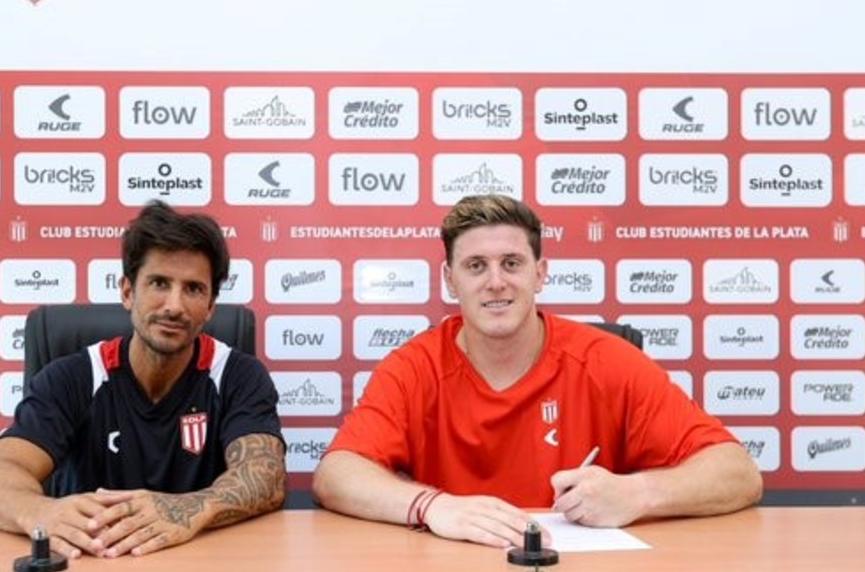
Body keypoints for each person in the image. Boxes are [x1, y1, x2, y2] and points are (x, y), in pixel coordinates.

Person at [312, 194, 762, 548]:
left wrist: (639, 494)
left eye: (512, 263)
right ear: (450, 280)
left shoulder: (606, 360)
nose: (496, 282)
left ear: (540, 273)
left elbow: (738, 472)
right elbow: (336, 474)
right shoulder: (414, 367)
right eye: (475, 266)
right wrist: (433, 506)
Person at [0, 200, 286, 559]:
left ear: (211, 306)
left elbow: (266, 478)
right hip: (92, 558)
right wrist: (41, 512)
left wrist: (184, 509)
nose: (174, 306)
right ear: (127, 292)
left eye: (194, 289)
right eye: (159, 283)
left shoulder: (237, 375)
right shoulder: (73, 376)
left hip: (200, 559)